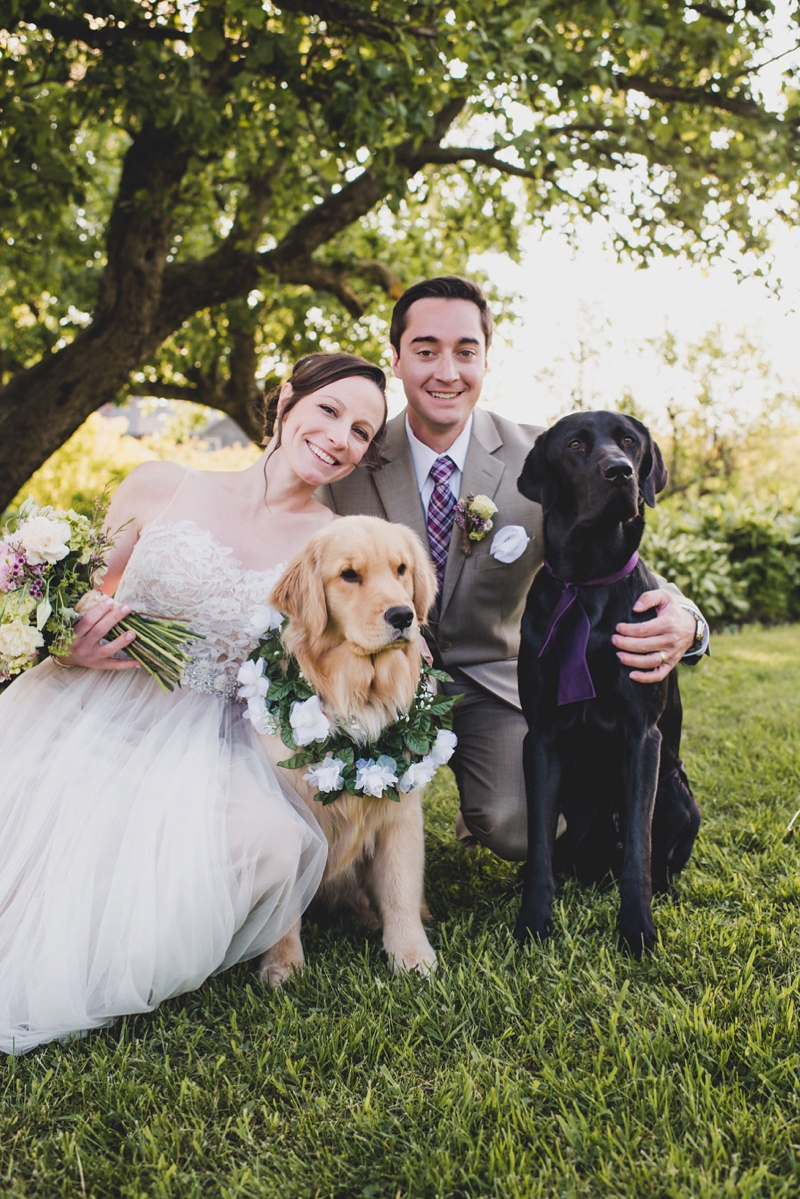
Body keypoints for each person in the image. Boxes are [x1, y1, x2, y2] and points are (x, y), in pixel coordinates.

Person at [0, 351, 388, 1055]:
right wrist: (71, 642)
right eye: (330, 410)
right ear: (285, 400)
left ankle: (112, 947)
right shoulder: (159, 483)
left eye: (361, 431)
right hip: (94, 699)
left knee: (271, 846)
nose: (341, 437)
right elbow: (78, 593)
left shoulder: (331, 547)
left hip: (219, 736)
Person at [323, 277, 708, 861]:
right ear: (396, 359)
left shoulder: (549, 456)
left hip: (494, 685)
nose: (447, 371)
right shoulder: (350, 457)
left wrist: (687, 620)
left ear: (485, 360)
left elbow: (619, 563)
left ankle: (479, 800)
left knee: (517, 827)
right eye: (426, 351)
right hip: (374, 678)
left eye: (465, 352)